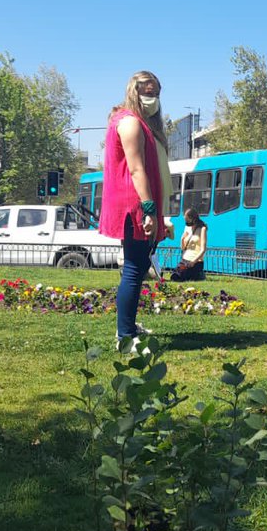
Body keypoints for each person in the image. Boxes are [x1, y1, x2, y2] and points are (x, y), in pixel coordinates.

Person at [99, 70, 168, 346]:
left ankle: (127, 327)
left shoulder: (131, 121)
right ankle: (124, 335)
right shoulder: (130, 123)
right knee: (134, 268)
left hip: (134, 203)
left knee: (137, 267)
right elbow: (137, 169)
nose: (151, 97)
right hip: (134, 205)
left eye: (156, 93)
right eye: (147, 92)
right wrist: (149, 209)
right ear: (134, 91)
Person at [170, 207, 207, 282]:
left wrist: (193, 261)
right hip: (185, 259)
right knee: (175, 276)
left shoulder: (202, 229)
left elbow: (203, 249)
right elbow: (183, 248)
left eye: (187, 220)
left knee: (183, 276)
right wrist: (182, 238)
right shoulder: (187, 228)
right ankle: (197, 275)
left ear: (193, 218)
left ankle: (199, 274)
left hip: (196, 261)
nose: (186, 222)